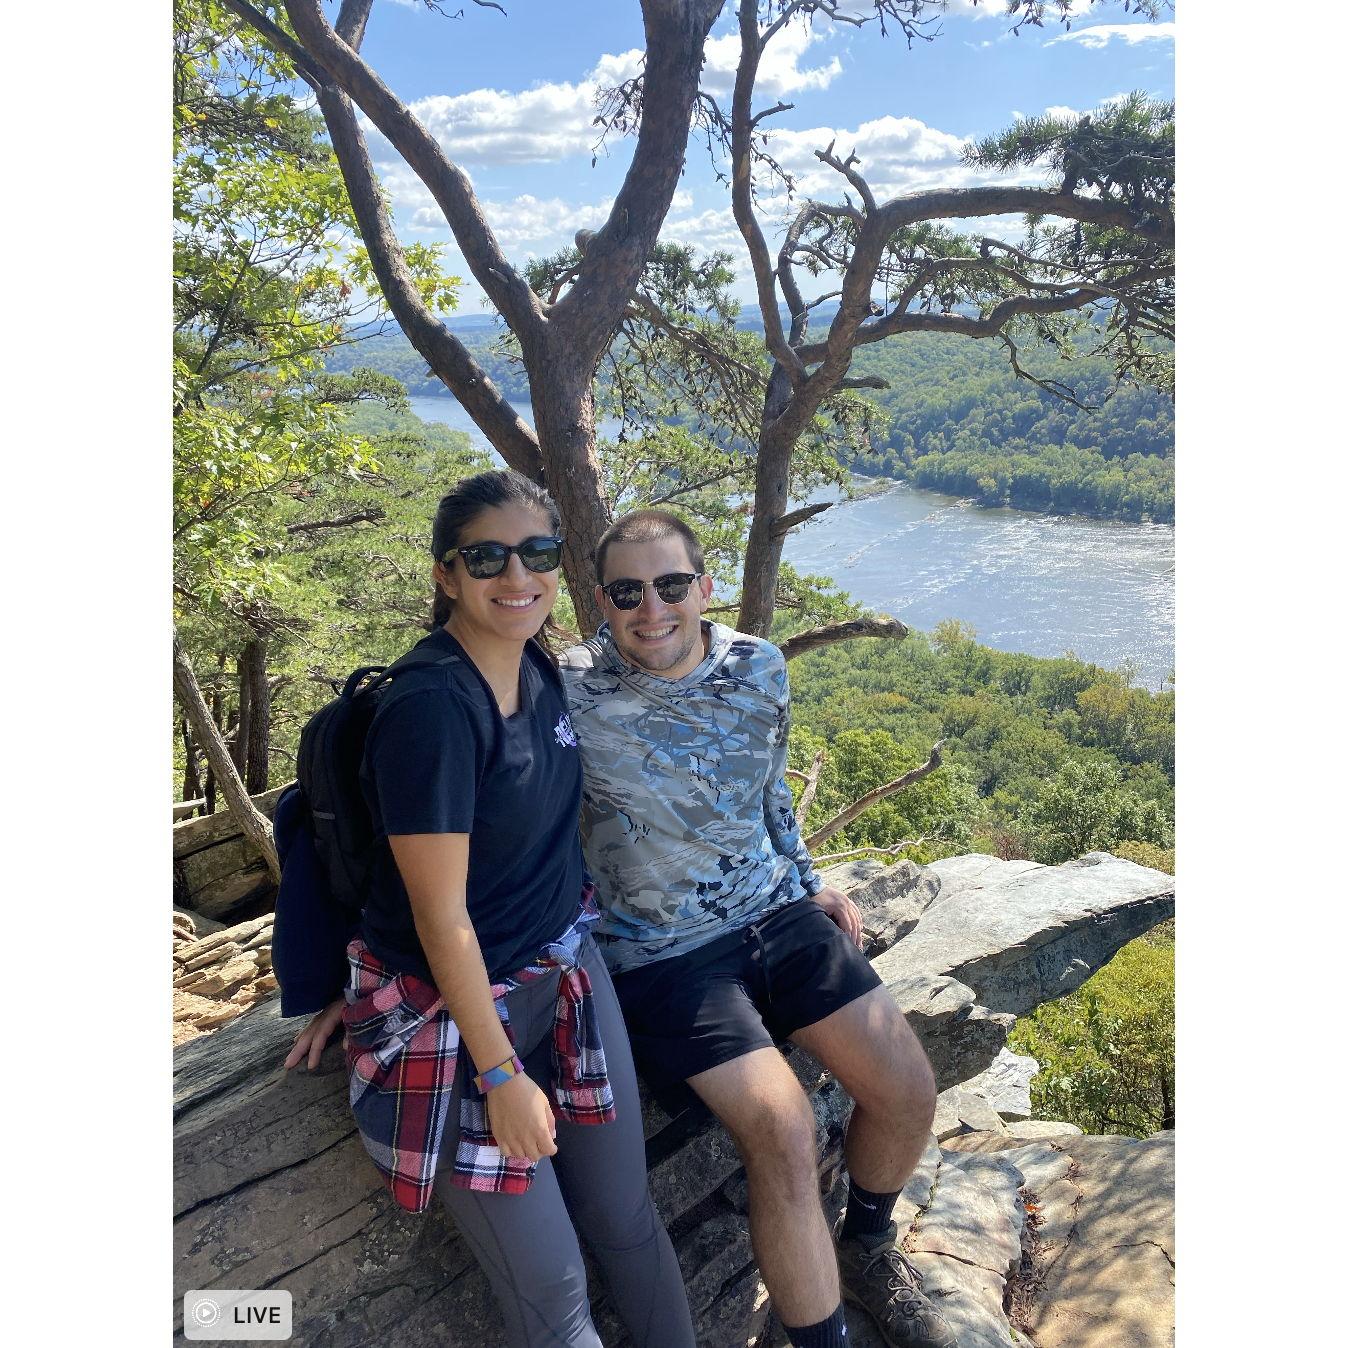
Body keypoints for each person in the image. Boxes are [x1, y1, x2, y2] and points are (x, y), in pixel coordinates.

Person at [285, 473, 695, 1348]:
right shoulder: (433, 708)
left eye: (537, 553)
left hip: (564, 972)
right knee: (554, 1293)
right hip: (458, 1019)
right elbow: (441, 918)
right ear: (446, 574)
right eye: (486, 558)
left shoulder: (537, 665)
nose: (518, 577)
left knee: (626, 1217)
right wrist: (502, 1076)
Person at [560, 509, 956, 1348]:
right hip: (660, 955)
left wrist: (808, 882)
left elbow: (771, 787)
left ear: (704, 587)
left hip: (775, 912)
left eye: (671, 585)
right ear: (601, 600)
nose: (652, 608)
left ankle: (866, 1245)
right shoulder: (567, 691)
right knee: (782, 1129)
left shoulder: (757, 667)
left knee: (907, 1089)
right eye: (627, 592)